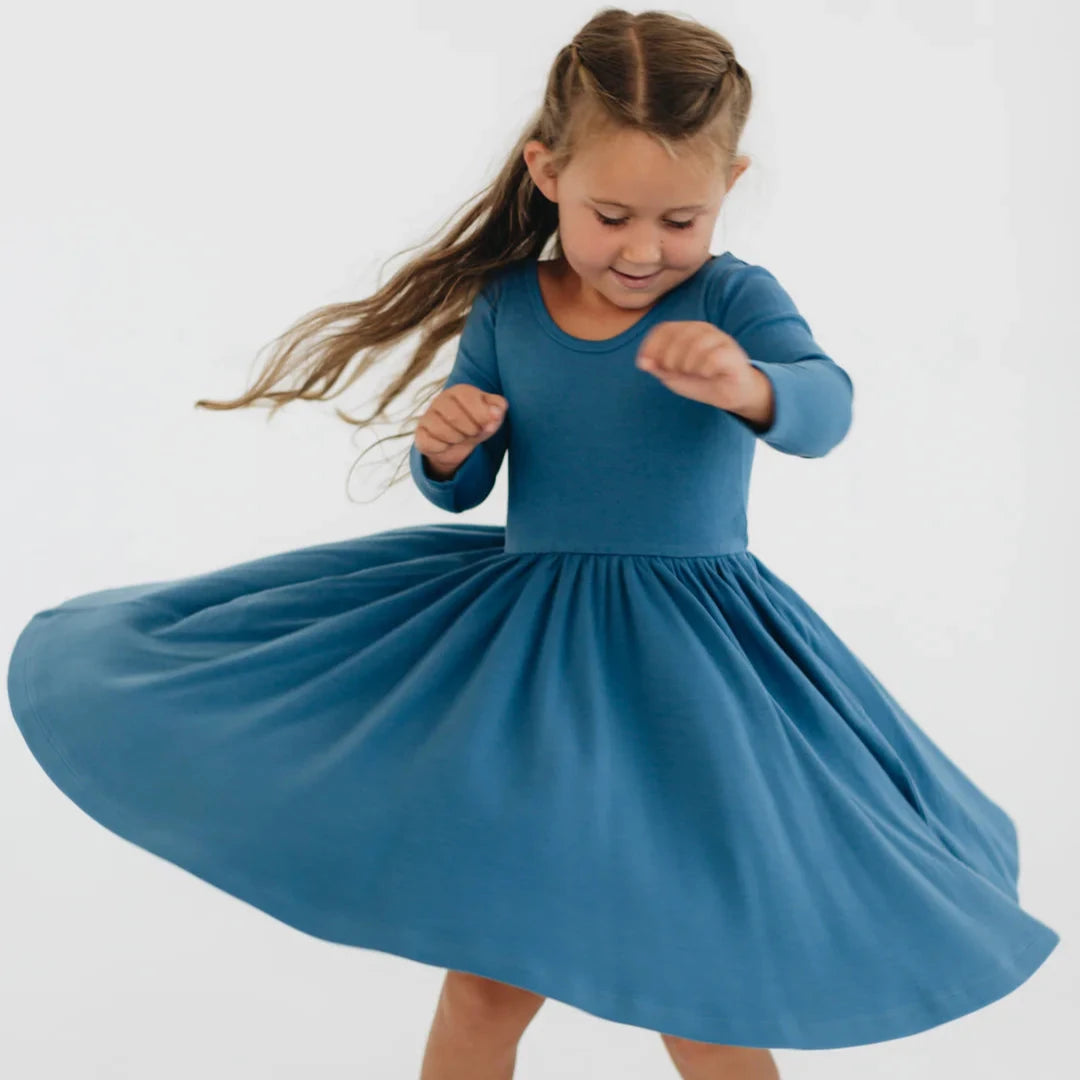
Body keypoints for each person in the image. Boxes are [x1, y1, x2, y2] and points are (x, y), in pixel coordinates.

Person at [5, 8, 1059, 1080]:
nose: (645, 249)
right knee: (489, 976)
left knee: (697, 977)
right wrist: (448, 444)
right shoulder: (509, 307)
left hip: (687, 679)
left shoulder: (734, 296)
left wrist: (749, 385)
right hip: (530, 674)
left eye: (679, 220)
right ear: (546, 170)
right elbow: (461, 485)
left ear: (732, 184)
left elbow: (825, 408)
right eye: (612, 215)